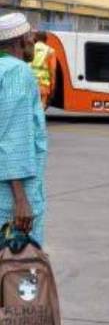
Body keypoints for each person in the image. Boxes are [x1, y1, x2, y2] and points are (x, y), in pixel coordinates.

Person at [0, 14, 48, 246]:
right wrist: (21, 200)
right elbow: (13, 137)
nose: (34, 41)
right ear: (20, 40)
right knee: (18, 262)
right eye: (30, 35)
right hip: (9, 201)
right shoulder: (16, 71)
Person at [30, 31, 56, 110]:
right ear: (46, 39)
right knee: (41, 107)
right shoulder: (50, 51)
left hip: (30, 83)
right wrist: (53, 87)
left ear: (35, 39)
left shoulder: (30, 49)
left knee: (30, 106)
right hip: (43, 85)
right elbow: (53, 71)